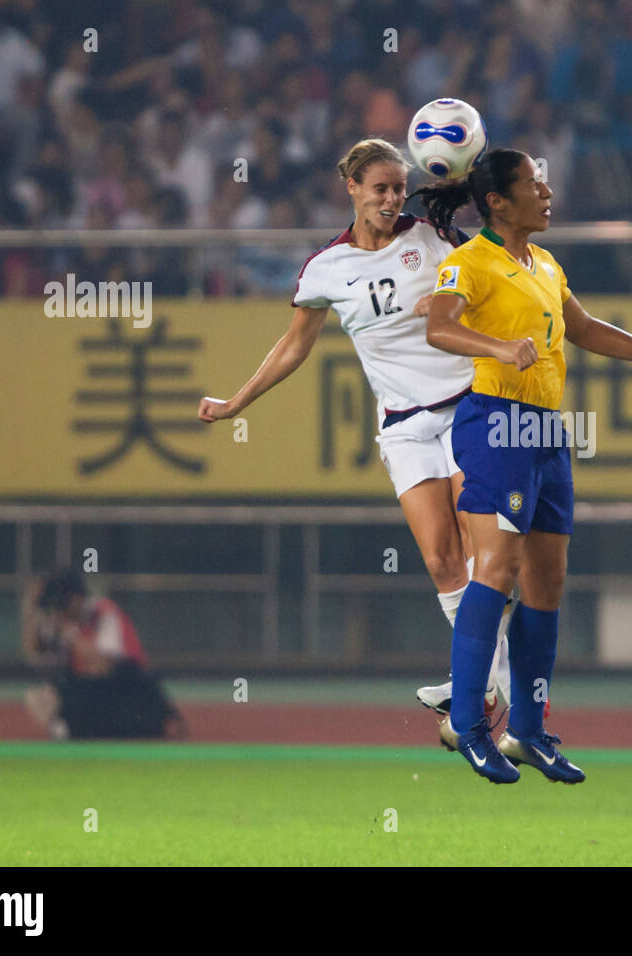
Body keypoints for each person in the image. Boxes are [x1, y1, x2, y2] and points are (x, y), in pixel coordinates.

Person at [417, 149, 632, 784]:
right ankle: (472, 726)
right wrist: (499, 346)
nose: (547, 190)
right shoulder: (468, 262)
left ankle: (527, 731)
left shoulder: (545, 263)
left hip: (545, 431)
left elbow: (582, 328)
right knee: (495, 570)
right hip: (496, 422)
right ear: (498, 200)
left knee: (547, 584)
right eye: (533, 182)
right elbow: (439, 329)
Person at [197, 138, 513, 715]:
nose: (392, 199)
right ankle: (487, 683)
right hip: (402, 424)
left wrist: (450, 306)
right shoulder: (326, 268)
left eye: (398, 189)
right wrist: (237, 402)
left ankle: (490, 685)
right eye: (380, 189)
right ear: (353, 189)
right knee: (442, 559)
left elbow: (494, 286)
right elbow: (295, 345)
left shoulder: (434, 237)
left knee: (478, 551)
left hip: (470, 407)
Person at [21, 568, 185, 739]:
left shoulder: (103, 612)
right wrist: (31, 609)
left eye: (61, 602)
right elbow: (33, 652)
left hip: (126, 686)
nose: (58, 609)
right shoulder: (58, 618)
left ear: (77, 598)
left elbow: (103, 665)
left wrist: (69, 632)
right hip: (87, 688)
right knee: (40, 697)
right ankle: (66, 735)